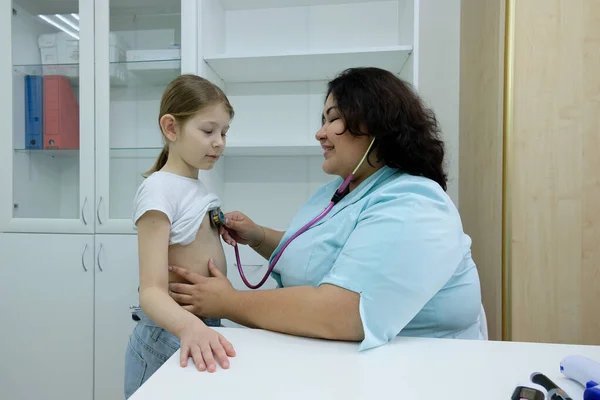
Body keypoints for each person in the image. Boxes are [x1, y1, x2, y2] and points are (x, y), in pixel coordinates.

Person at [168, 67, 484, 351]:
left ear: (375, 123)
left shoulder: (414, 204)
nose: (320, 133)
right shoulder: (339, 190)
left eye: (333, 119)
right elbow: (322, 256)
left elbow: (343, 312)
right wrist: (259, 236)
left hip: (423, 373)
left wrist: (228, 302)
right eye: (323, 120)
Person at [124, 74, 236, 399]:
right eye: (208, 131)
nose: (219, 142)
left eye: (224, 132)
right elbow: (151, 291)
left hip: (198, 326)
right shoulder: (158, 189)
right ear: (171, 128)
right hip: (170, 333)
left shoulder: (195, 187)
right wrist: (191, 328)